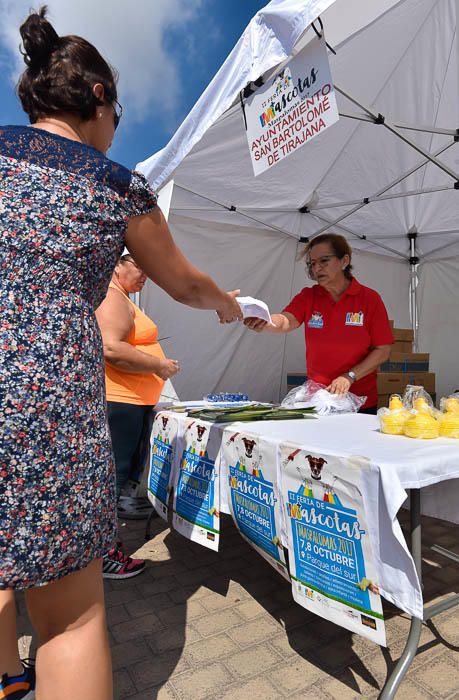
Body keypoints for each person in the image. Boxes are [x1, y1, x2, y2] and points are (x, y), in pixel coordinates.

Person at [0, 7, 241, 700]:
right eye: (121, 111)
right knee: (70, 621)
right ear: (99, 99)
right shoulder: (114, 186)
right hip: (47, 407)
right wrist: (226, 303)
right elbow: (187, 282)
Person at [95, 253, 179, 580]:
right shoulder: (112, 297)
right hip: (120, 401)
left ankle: (104, 549)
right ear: (117, 264)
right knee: (111, 478)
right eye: (140, 267)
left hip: (131, 401)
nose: (146, 275)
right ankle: (104, 555)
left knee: (119, 475)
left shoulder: (122, 298)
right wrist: (158, 365)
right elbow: (111, 349)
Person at [244, 233, 393, 413]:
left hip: (360, 403)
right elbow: (286, 321)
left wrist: (350, 377)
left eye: (324, 261)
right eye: (312, 263)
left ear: (344, 260)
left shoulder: (369, 299)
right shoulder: (309, 296)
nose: (317, 269)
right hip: (318, 400)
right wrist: (265, 321)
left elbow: (383, 350)